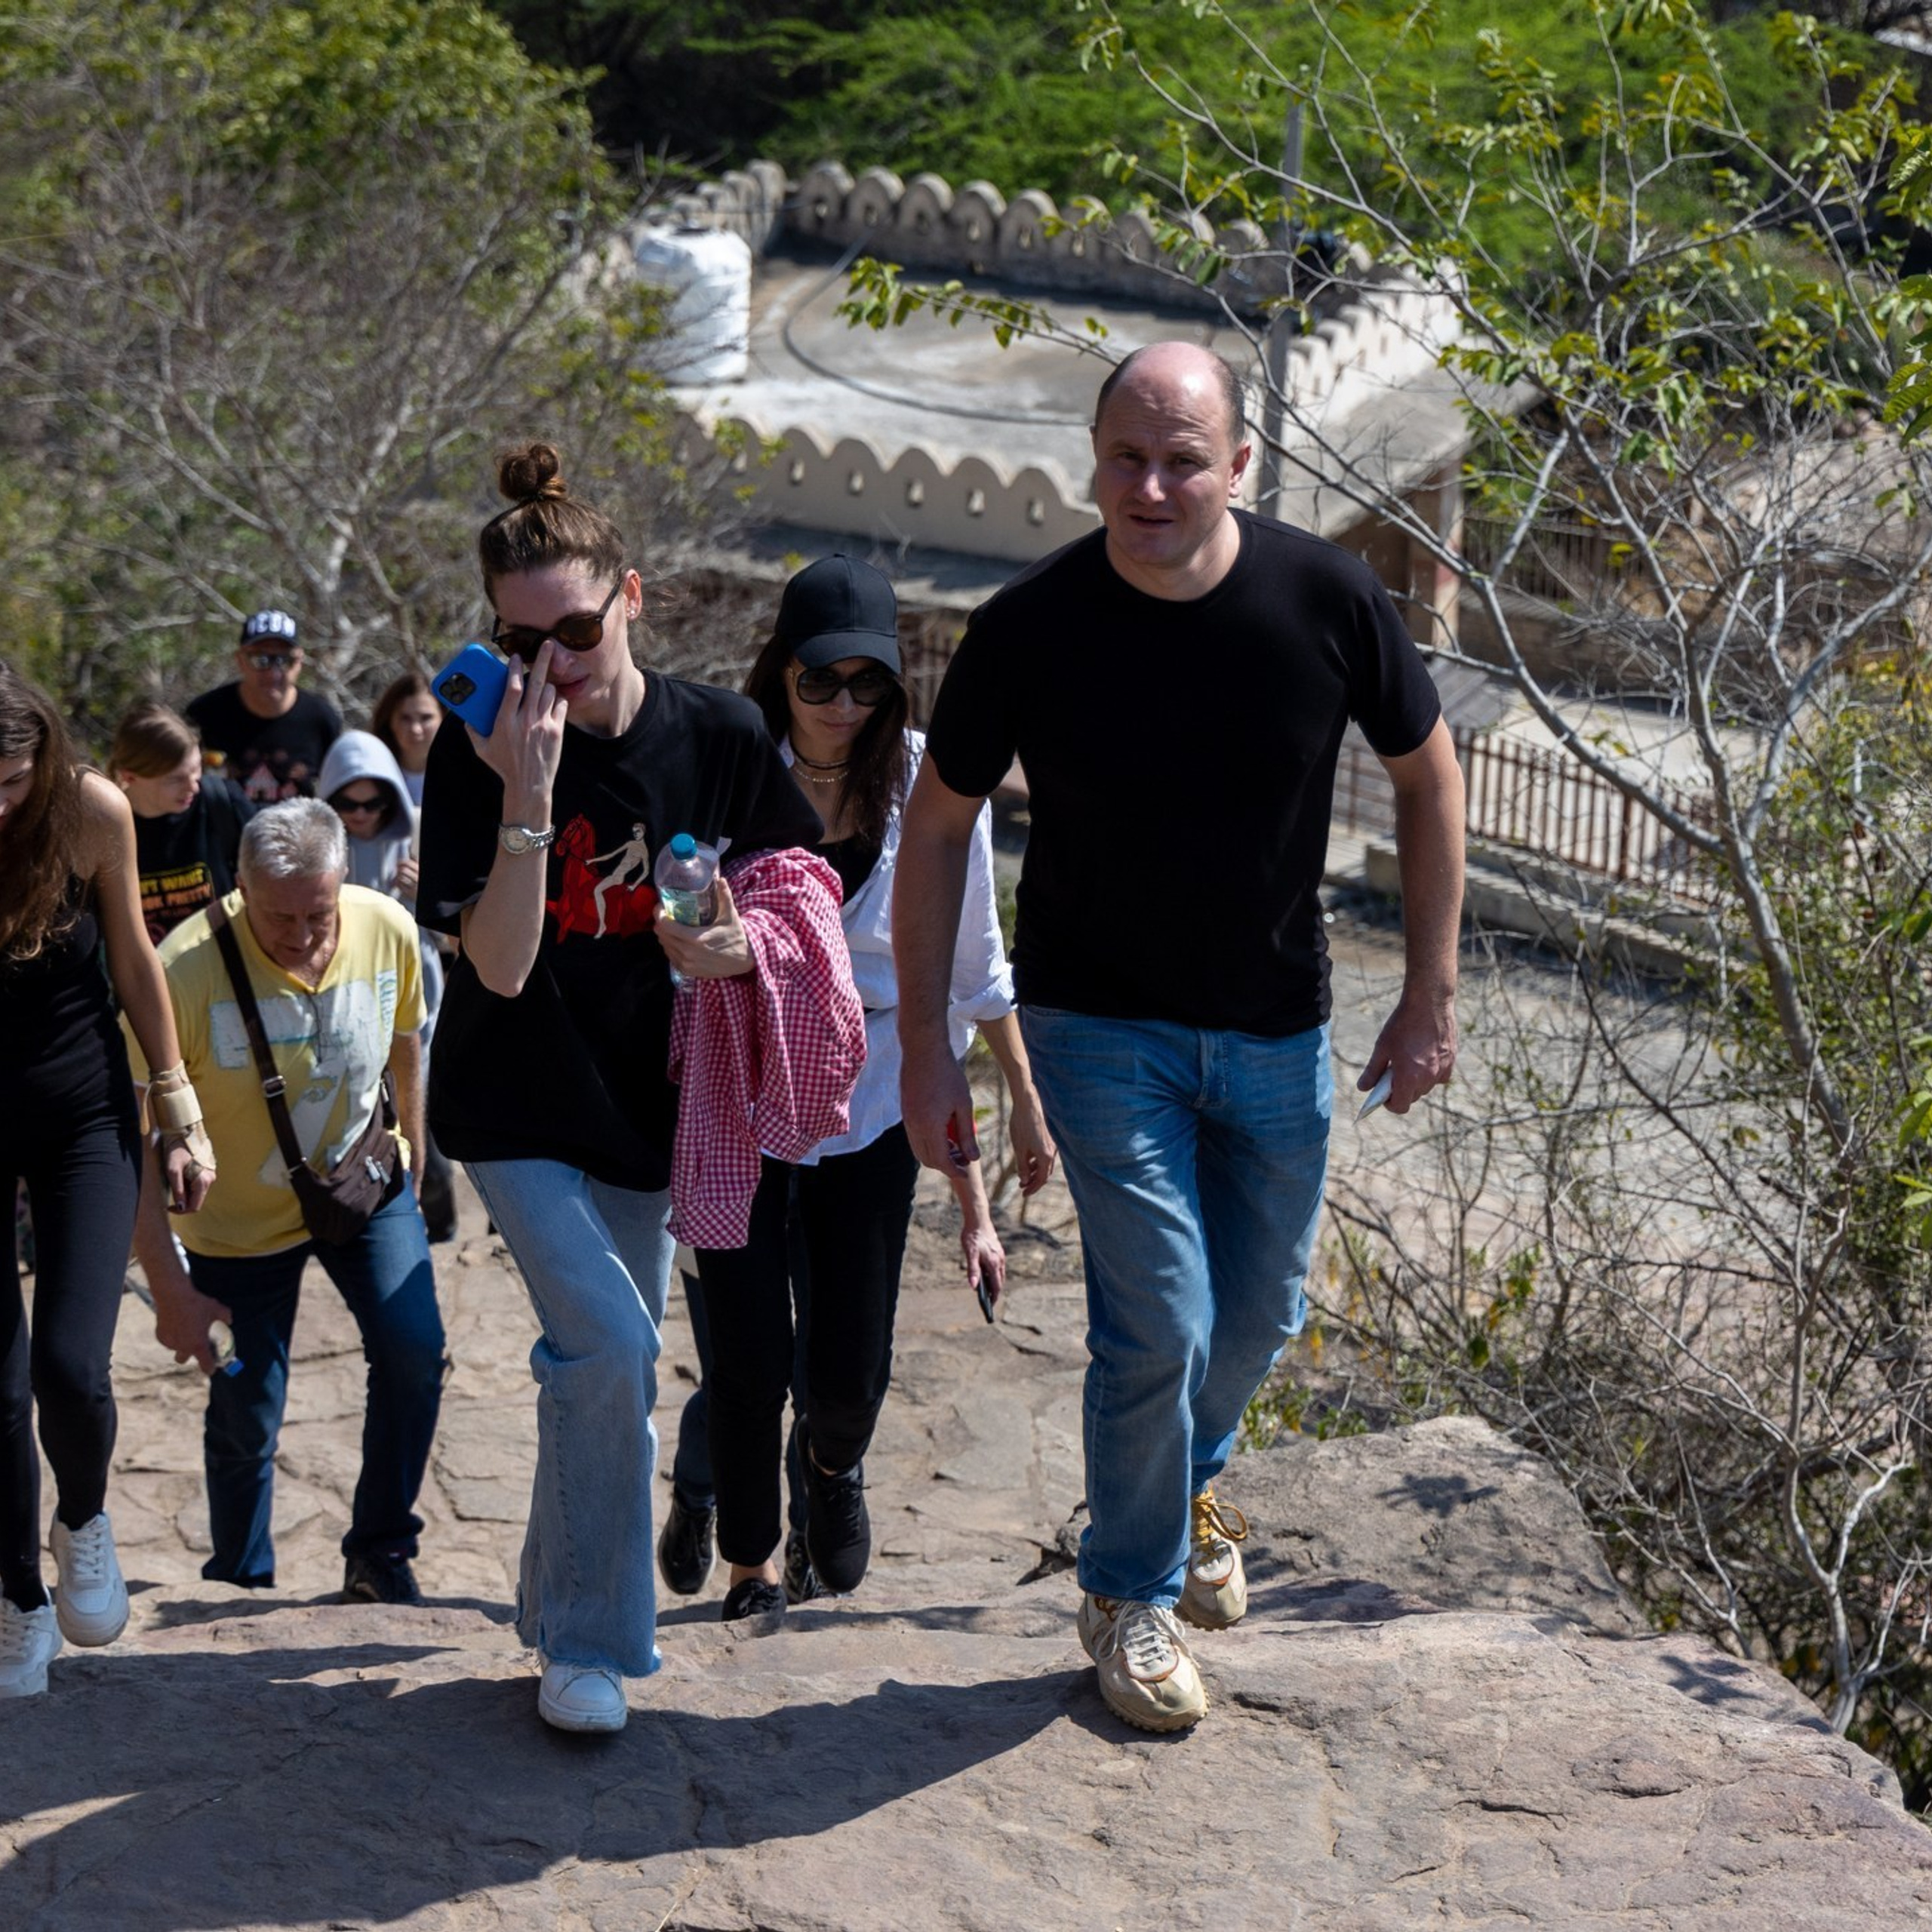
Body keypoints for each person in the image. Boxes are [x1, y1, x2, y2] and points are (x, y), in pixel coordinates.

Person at [894, 342, 1466, 1734]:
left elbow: (1428, 773)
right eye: (1126, 460)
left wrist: (1430, 989)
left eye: (1183, 460)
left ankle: (1178, 1477)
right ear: (1091, 463)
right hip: (1098, 1027)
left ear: (1242, 467)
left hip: (1275, 1024)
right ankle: (1128, 1593)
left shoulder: (1325, 597)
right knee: (1160, 1315)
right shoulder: (1029, 627)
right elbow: (938, 824)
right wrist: (924, 1042)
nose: (1151, 487)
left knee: (1259, 1316)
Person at [416, 441, 823, 1734]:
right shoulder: (475, 754)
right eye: (522, 639)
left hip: (652, 1106)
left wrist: (738, 945)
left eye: (578, 628)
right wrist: (525, 799)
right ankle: (594, 1652)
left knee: (597, 1369)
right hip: (509, 1102)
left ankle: (546, 1600)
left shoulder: (720, 732)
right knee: (615, 1346)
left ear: (631, 597)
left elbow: (795, 897)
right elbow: (499, 956)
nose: (556, 663)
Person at [675, 555, 1054, 1623]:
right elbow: (665, 921)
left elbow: (979, 962)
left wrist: (1020, 1095)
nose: (845, 706)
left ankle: (830, 1471)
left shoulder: (934, 785)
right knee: (748, 1360)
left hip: (874, 1091)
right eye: (820, 682)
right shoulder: (723, 767)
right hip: (740, 1091)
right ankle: (750, 1567)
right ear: (778, 673)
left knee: (848, 1367)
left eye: (868, 684)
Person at [127, 798, 446, 1607]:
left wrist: (410, 1147)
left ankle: (380, 1549)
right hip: (234, 1230)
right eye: (280, 916)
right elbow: (129, 1138)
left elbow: (408, 1038)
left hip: (361, 1187)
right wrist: (168, 1282)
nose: (304, 935)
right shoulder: (181, 971)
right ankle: (240, 1578)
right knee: (247, 1404)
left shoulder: (384, 927)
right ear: (238, 886)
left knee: (414, 1353)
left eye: (320, 911)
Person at [0, 663, 214, 1697]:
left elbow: (134, 960)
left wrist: (176, 1103)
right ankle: (17, 1602)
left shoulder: (90, 808)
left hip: (84, 1110)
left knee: (70, 1367)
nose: (0, 803)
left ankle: (81, 1518)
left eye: (12, 780)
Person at [318, 729, 457, 1244]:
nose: (358, 815)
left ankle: (436, 1222)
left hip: (415, 1001)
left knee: (419, 1116)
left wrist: (429, 897)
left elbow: (456, 940)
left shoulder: (420, 835)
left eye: (372, 802)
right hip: (344, 1004)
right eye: (345, 803)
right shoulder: (323, 845)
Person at [109, 700, 258, 943]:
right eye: (176, 780)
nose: (193, 786)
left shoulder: (222, 803)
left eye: (198, 769)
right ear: (130, 776)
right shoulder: (106, 827)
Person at [186, 608, 342, 802]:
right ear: (240, 660)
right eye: (261, 660)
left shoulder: (322, 720)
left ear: (300, 662)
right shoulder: (205, 714)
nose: (273, 673)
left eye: (284, 660)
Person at [371, 672, 443, 810]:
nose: (416, 729)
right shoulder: (372, 775)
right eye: (405, 718)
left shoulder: (462, 776)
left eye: (426, 718)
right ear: (389, 721)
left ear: (443, 718)